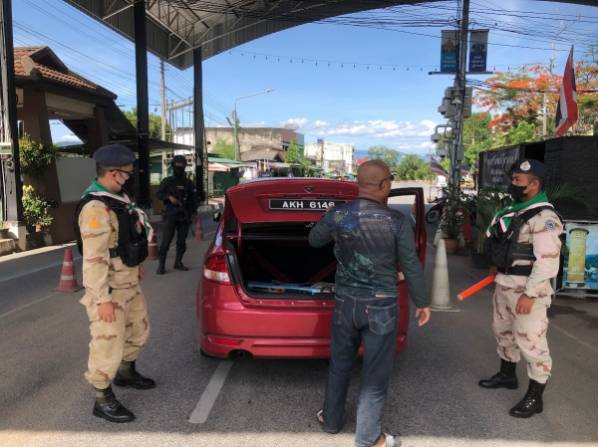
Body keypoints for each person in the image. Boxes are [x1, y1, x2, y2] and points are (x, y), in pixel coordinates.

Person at [308, 160, 431, 447]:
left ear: (358, 183)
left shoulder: (339, 214)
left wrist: (330, 223)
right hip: (380, 307)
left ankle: (331, 420)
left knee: (340, 363)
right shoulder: (397, 221)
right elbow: (410, 264)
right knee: (375, 374)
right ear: (384, 185)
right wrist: (422, 302)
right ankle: (370, 439)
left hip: (345, 303)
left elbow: (314, 240)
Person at [76, 144, 155, 423]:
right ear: (114, 173)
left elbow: (124, 239)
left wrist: (136, 265)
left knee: (139, 330)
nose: (130, 178)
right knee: (107, 342)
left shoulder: (119, 199)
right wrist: (102, 300)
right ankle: (102, 397)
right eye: (127, 173)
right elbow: (94, 258)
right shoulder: (96, 208)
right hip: (109, 288)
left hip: (128, 280)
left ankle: (125, 372)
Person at [480, 158, 562, 418]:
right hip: (504, 284)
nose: (512, 183)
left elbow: (547, 261)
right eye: (513, 178)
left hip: (527, 290)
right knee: (503, 330)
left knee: (532, 341)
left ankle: (535, 398)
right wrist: (495, 266)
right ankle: (507, 375)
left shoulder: (544, 217)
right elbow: (503, 242)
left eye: (518, 180)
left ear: (534, 184)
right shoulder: (512, 210)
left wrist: (530, 294)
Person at [156, 155, 198, 274]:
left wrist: (194, 213)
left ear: (184, 166)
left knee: (181, 242)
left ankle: (178, 262)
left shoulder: (189, 183)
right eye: (177, 166)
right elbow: (158, 194)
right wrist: (169, 197)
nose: (179, 168)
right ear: (173, 166)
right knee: (166, 241)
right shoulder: (167, 181)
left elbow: (194, 200)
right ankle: (161, 265)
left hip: (184, 215)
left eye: (181, 166)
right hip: (170, 214)